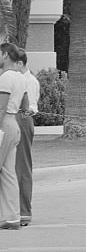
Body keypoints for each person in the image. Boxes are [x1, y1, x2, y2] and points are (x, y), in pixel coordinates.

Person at [0, 43, 26, 229]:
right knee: (8, 172)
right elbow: (25, 104)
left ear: (5, 55)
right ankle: (12, 217)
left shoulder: (6, 77)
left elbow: (1, 107)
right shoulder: (21, 77)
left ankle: (10, 217)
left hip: (4, 124)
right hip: (14, 123)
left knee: (7, 172)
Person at [15, 51, 38, 227]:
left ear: (21, 64)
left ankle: (24, 211)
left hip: (22, 120)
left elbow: (30, 106)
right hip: (13, 120)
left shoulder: (29, 81)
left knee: (22, 166)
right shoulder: (14, 79)